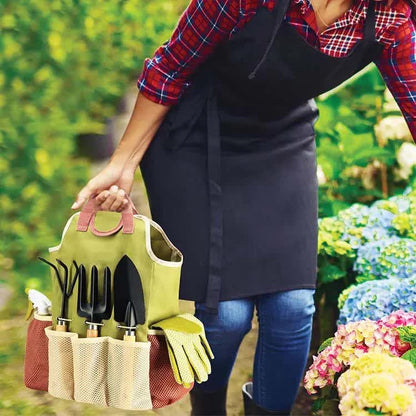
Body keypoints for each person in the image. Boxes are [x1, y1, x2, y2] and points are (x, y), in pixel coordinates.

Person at [71, 0, 416, 414]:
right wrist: (121, 163)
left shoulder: (388, 14)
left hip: (281, 137)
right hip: (198, 135)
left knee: (293, 307)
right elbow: (168, 68)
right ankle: (208, 406)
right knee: (226, 315)